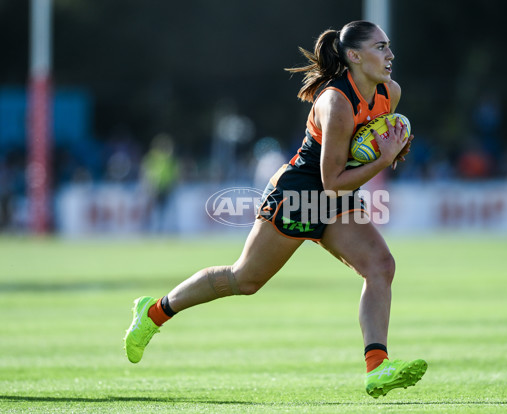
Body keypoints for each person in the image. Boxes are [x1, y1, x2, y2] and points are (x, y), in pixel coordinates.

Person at [124, 20, 427, 398]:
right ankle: (153, 312)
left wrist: (391, 150)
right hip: (301, 193)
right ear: (353, 56)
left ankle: (377, 367)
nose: (390, 54)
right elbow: (330, 179)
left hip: (336, 199)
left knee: (381, 266)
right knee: (244, 279)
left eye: (388, 46)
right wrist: (383, 160)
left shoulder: (390, 93)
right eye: (380, 47)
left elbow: (363, 150)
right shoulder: (335, 101)